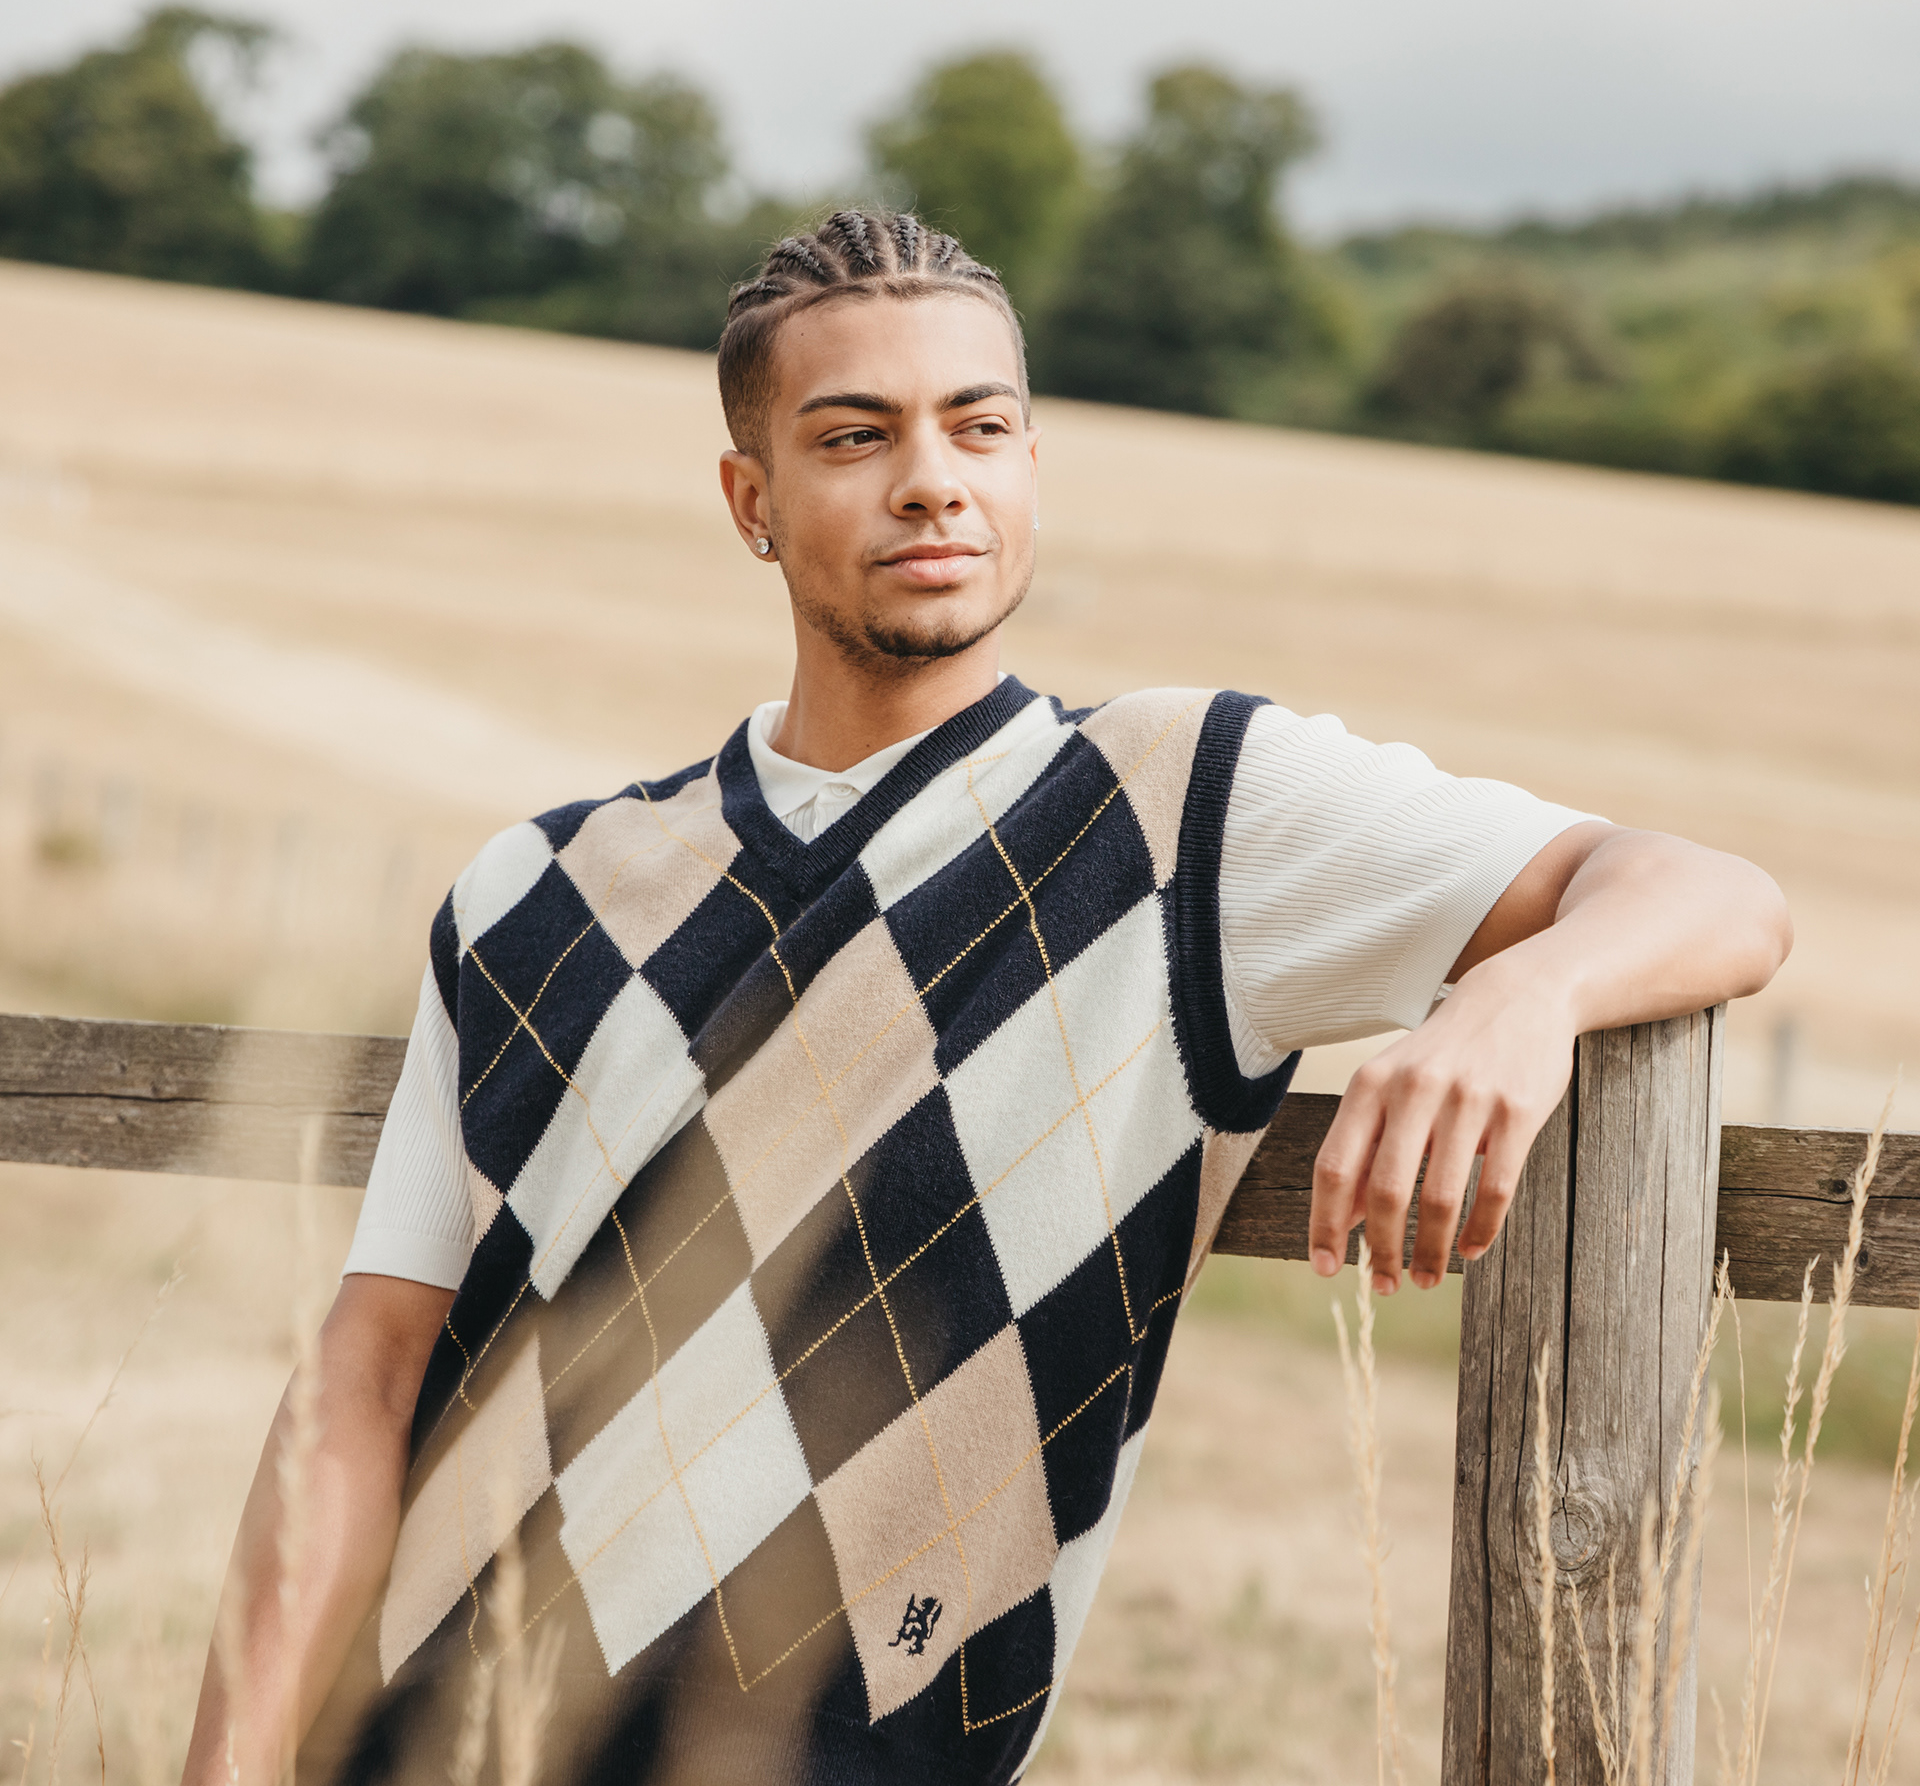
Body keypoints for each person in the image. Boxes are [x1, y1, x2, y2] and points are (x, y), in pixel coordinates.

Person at [181, 210, 1790, 1786]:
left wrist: (1522, 1001)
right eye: (854, 434)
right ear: (752, 499)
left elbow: (1713, 893)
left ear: (1031, 467)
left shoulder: (1185, 813)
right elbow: (367, 1377)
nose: (931, 478)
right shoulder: (536, 893)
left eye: (980, 426)